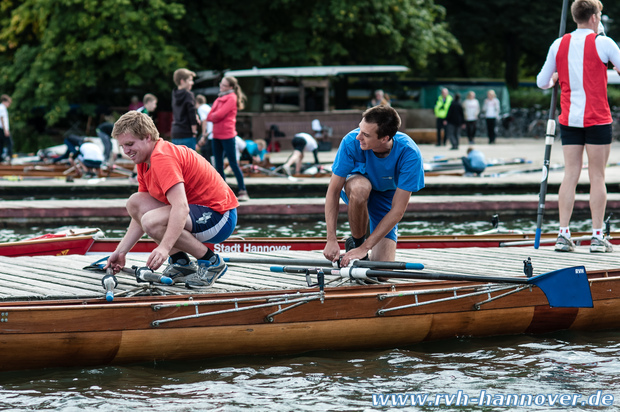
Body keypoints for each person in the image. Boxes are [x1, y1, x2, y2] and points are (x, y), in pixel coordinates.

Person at [104, 111, 238, 287]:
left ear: (147, 137)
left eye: (129, 144)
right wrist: (121, 251)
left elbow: (180, 208)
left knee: (152, 222)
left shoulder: (162, 157)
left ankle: (211, 262)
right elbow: (140, 216)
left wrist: (164, 249)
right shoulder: (144, 162)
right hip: (197, 213)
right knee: (135, 203)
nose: (126, 151)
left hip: (220, 216)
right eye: (122, 146)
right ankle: (181, 263)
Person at [537, 0, 620, 253]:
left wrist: (555, 78)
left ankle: (563, 234)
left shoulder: (558, 43)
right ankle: (597, 237)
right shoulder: (603, 43)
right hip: (597, 119)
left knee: (570, 175)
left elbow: (542, 82)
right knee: (597, 177)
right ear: (595, 17)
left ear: (576, 17)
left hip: (570, 120)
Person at [323, 106, 425, 267]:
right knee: (360, 189)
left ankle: (360, 247)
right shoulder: (350, 141)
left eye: (366, 135)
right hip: (357, 187)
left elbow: (397, 210)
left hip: (385, 196)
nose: (358, 137)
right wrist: (331, 238)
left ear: (384, 138)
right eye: (360, 129)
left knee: (383, 271)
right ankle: (357, 243)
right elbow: (333, 192)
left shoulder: (410, 154)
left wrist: (366, 247)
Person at [207, 76, 250, 201]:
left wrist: (215, 116)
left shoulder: (232, 98)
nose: (221, 86)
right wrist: (215, 116)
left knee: (233, 163)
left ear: (231, 87)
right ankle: (223, 193)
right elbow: (210, 116)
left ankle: (243, 190)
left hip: (227, 135)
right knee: (218, 165)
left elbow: (217, 115)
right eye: (221, 84)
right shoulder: (219, 98)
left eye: (224, 85)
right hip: (216, 135)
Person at [171, 68, 198, 150]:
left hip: (175, 133)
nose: (192, 83)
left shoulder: (174, 93)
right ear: (182, 81)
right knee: (190, 162)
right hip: (186, 133)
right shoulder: (188, 94)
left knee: (178, 162)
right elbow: (191, 113)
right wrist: (194, 131)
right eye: (190, 80)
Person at [195, 94, 213, 164]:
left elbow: (204, 120)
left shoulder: (201, 108)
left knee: (205, 152)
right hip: (212, 132)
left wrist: (203, 135)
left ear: (197, 102)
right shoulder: (207, 107)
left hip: (209, 133)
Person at [0, 95, 12, 164]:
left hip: (1, 129)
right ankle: (9, 156)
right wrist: (5, 130)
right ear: (5, 101)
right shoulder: (2, 108)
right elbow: (2, 119)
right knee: (9, 143)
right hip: (2, 129)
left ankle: (1, 158)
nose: (9, 105)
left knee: (1, 144)